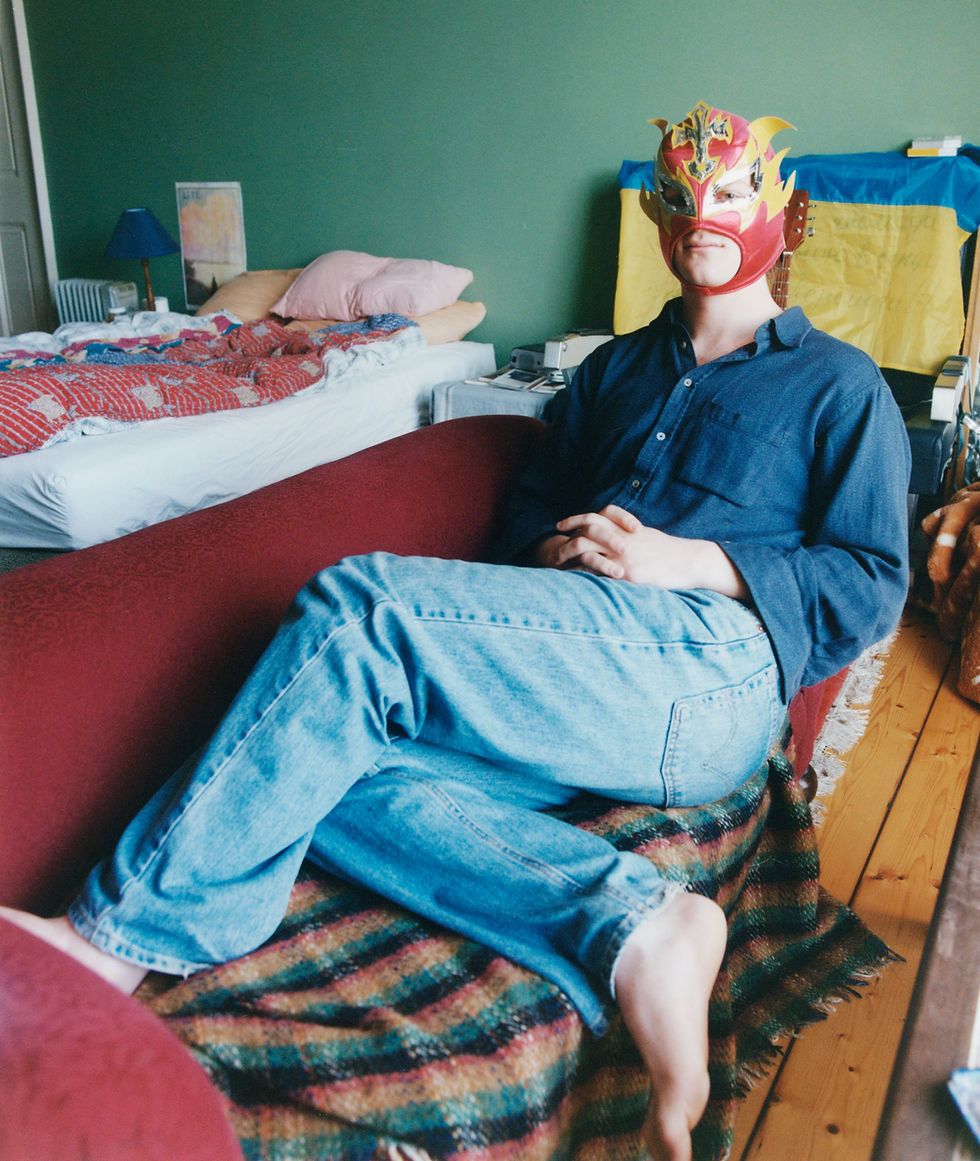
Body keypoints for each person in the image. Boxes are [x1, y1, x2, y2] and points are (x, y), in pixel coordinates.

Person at [2, 102, 911, 1161]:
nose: (697, 214)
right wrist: (555, 551)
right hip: (573, 665)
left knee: (364, 609)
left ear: (779, 211)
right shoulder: (613, 371)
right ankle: (638, 926)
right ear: (657, 219)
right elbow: (530, 506)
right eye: (675, 195)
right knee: (317, 754)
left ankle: (117, 942)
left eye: (727, 190)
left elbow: (871, 585)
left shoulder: (838, 384)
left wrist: (694, 563)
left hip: (708, 669)